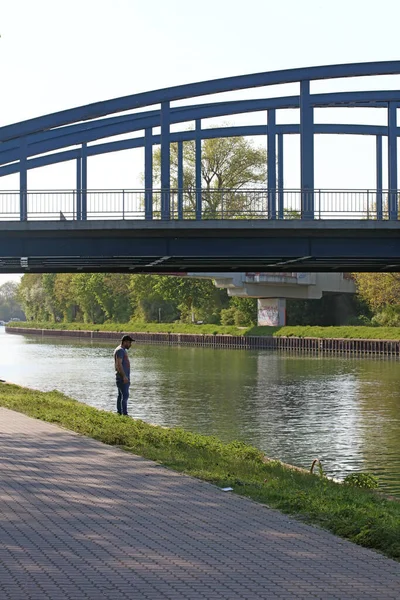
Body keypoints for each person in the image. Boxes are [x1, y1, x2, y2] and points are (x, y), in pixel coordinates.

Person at [113, 335, 134, 416]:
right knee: (125, 396)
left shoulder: (121, 350)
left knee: (121, 395)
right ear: (124, 342)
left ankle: (119, 412)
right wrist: (124, 376)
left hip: (122, 377)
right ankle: (124, 414)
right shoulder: (120, 350)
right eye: (129, 342)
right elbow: (119, 364)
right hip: (122, 377)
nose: (130, 344)